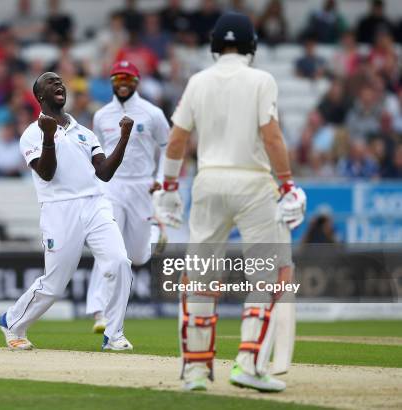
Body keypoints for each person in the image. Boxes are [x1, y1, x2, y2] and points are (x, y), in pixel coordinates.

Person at [153, 13, 306, 392]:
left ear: (214, 45)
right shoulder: (261, 80)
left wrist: (169, 186)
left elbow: (176, 140)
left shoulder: (198, 81)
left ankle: (195, 371)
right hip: (253, 183)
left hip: (208, 181)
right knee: (266, 277)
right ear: (252, 45)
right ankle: (250, 364)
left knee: (200, 278)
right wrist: (286, 184)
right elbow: (271, 137)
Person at [0, 72, 134, 351]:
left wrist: (124, 138)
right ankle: (12, 322)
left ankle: (114, 334)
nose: (58, 84)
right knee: (55, 284)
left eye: (60, 81)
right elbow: (46, 174)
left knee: (120, 262)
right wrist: (48, 138)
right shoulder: (31, 134)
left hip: (95, 203)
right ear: (40, 96)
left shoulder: (84, 132)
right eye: (50, 82)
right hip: (59, 210)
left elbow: (105, 173)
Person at [86, 61, 169, 333]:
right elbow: (96, 152)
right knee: (108, 245)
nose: (122, 82)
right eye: (117, 77)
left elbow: (169, 147)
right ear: (111, 81)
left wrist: (161, 178)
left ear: (137, 81)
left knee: (138, 256)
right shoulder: (101, 116)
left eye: (128, 78)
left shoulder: (152, 113)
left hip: (142, 186)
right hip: (112, 187)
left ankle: (156, 232)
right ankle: (99, 312)